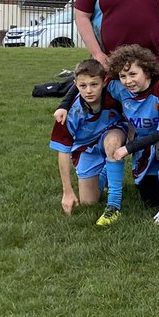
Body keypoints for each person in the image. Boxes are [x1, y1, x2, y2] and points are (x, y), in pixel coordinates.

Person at [105, 45, 159, 226]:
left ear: (147, 71)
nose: (128, 81)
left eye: (133, 74)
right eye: (123, 76)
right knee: (150, 198)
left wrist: (128, 148)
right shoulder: (118, 87)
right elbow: (86, 78)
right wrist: (64, 106)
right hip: (144, 140)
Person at [49, 58, 127, 226]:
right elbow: (63, 151)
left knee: (112, 141)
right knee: (88, 202)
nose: (89, 91)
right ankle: (105, 172)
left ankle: (113, 205)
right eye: (83, 86)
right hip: (86, 149)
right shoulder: (69, 111)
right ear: (75, 84)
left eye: (94, 84)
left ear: (104, 82)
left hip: (112, 135)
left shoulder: (114, 93)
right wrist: (67, 191)